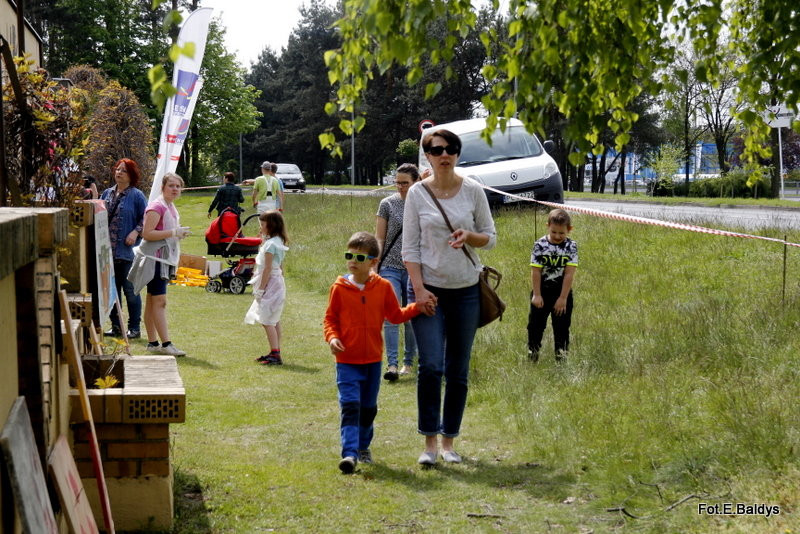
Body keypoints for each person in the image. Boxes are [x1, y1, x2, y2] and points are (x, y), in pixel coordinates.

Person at [403, 128, 497, 466]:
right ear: (427, 155)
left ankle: (449, 442)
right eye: (438, 149)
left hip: (466, 292)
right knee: (430, 365)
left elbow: (491, 237)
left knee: (458, 370)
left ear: (457, 154)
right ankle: (429, 444)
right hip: (428, 291)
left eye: (452, 149)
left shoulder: (472, 190)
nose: (445, 155)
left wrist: (470, 235)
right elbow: (409, 248)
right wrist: (419, 288)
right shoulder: (416, 193)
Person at [323, 232, 426, 474]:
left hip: (371, 362)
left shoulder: (383, 287)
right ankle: (348, 454)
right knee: (350, 405)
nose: (352, 261)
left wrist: (417, 308)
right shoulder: (338, 288)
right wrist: (333, 337)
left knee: (368, 408)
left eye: (359, 257)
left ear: (373, 262)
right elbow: (330, 319)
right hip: (346, 360)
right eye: (349, 255)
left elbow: (395, 316)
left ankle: (362, 447)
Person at [128, 172, 190, 356]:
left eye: (178, 186)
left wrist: (177, 233)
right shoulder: (156, 206)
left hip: (162, 259)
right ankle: (166, 344)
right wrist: (173, 232)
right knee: (160, 302)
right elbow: (147, 234)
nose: (175, 189)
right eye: (171, 185)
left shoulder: (169, 206)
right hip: (154, 260)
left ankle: (153, 343)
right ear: (162, 187)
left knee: (151, 302)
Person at [375, 163, 421, 381]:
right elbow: (380, 237)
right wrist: (375, 265)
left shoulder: (423, 203)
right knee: (391, 315)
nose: (401, 187)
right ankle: (392, 365)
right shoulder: (387, 204)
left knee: (411, 317)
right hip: (390, 266)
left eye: (405, 183)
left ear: (416, 182)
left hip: (414, 267)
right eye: (398, 183)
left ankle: (409, 363)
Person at [100, 160, 147, 339]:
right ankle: (116, 326)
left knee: (130, 291)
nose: (119, 173)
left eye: (124, 171)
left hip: (127, 253)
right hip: (107, 253)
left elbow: (147, 218)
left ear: (131, 175)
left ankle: (134, 328)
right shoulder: (107, 193)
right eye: (118, 169)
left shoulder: (137, 196)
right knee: (112, 292)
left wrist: (136, 232)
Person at [527, 208, 578, 362]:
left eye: (561, 233)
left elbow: (569, 273)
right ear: (547, 226)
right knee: (535, 327)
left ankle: (561, 359)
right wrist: (536, 294)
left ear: (569, 230)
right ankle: (532, 355)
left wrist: (563, 298)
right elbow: (536, 271)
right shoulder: (540, 245)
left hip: (562, 293)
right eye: (554, 232)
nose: (557, 236)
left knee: (562, 328)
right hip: (541, 292)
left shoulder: (571, 246)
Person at [244, 210, 289, 365]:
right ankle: (274, 350)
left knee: (267, 319)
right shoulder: (277, 241)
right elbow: (279, 266)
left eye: (262, 225)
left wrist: (261, 289)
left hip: (271, 283)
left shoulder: (270, 245)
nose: (261, 227)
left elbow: (267, 269)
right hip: (277, 282)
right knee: (273, 318)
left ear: (270, 226)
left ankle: (275, 354)